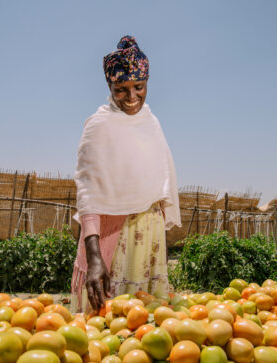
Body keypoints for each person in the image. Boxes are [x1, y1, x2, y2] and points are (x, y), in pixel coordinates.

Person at [70, 35, 181, 313]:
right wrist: (95, 258)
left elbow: (160, 185)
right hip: (113, 236)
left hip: (147, 237)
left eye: (139, 87)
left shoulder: (151, 123)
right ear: (109, 86)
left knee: (144, 323)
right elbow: (88, 194)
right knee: (104, 318)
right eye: (121, 89)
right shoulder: (98, 126)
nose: (132, 98)